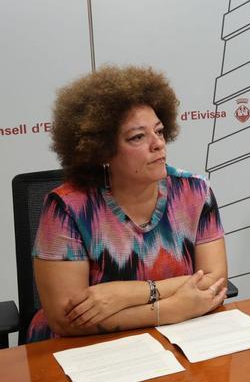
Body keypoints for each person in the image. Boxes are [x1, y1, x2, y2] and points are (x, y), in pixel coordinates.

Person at [28, 65, 228, 343]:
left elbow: (214, 281)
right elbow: (67, 319)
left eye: (159, 131)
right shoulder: (68, 207)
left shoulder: (194, 191)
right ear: (102, 150)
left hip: (175, 339)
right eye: (138, 137)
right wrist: (169, 308)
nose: (158, 144)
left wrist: (126, 294)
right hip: (82, 350)